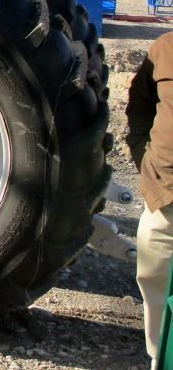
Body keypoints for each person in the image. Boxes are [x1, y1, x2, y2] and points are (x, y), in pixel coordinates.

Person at [127, 31, 173, 366]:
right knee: (154, 283)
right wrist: (147, 161)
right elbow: (140, 105)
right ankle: (160, 358)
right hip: (166, 195)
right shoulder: (165, 48)